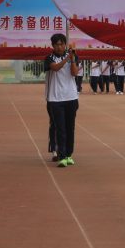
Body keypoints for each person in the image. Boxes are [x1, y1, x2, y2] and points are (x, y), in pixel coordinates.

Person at [45, 33, 80, 167]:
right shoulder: (49, 58)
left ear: (65, 44)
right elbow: (55, 68)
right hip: (55, 99)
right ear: (53, 46)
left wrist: (72, 59)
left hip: (71, 97)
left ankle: (69, 155)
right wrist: (67, 58)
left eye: (61, 44)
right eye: (57, 44)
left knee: (70, 128)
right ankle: (62, 155)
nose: (59, 47)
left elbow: (74, 73)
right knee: (60, 128)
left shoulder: (73, 57)